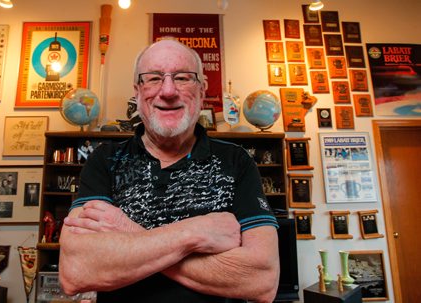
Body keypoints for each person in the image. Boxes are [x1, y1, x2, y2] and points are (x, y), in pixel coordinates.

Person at [59, 38, 280, 303]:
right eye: (153, 78)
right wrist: (194, 233)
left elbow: (262, 280)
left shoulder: (236, 161)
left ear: (202, 90)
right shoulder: (105, 160)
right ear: (138, 92)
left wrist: (126, 232)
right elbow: (77, 269)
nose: (167, 91)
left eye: (183, 77)